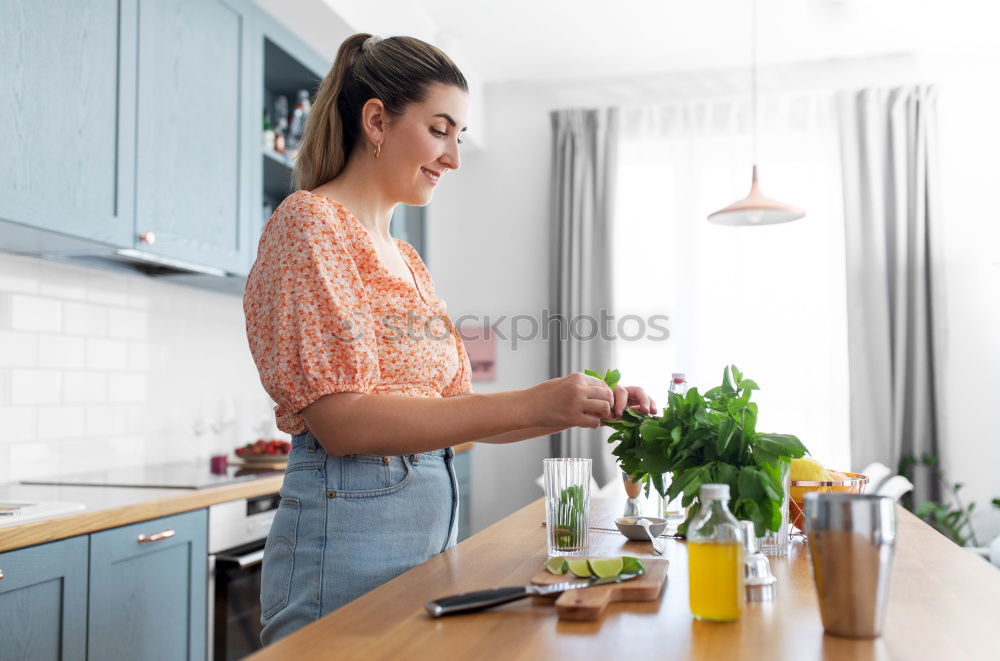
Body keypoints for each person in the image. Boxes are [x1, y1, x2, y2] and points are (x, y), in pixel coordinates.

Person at [243, 33, 657, 645]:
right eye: (440, 130)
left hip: (426, 540)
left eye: (458, 136)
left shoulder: (408, 259)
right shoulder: (310, 223)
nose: (454, 158)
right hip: (343, 547)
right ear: (377, 120)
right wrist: (538, 401)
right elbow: (342, 423)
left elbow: (453, 417)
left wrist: (581, 407)